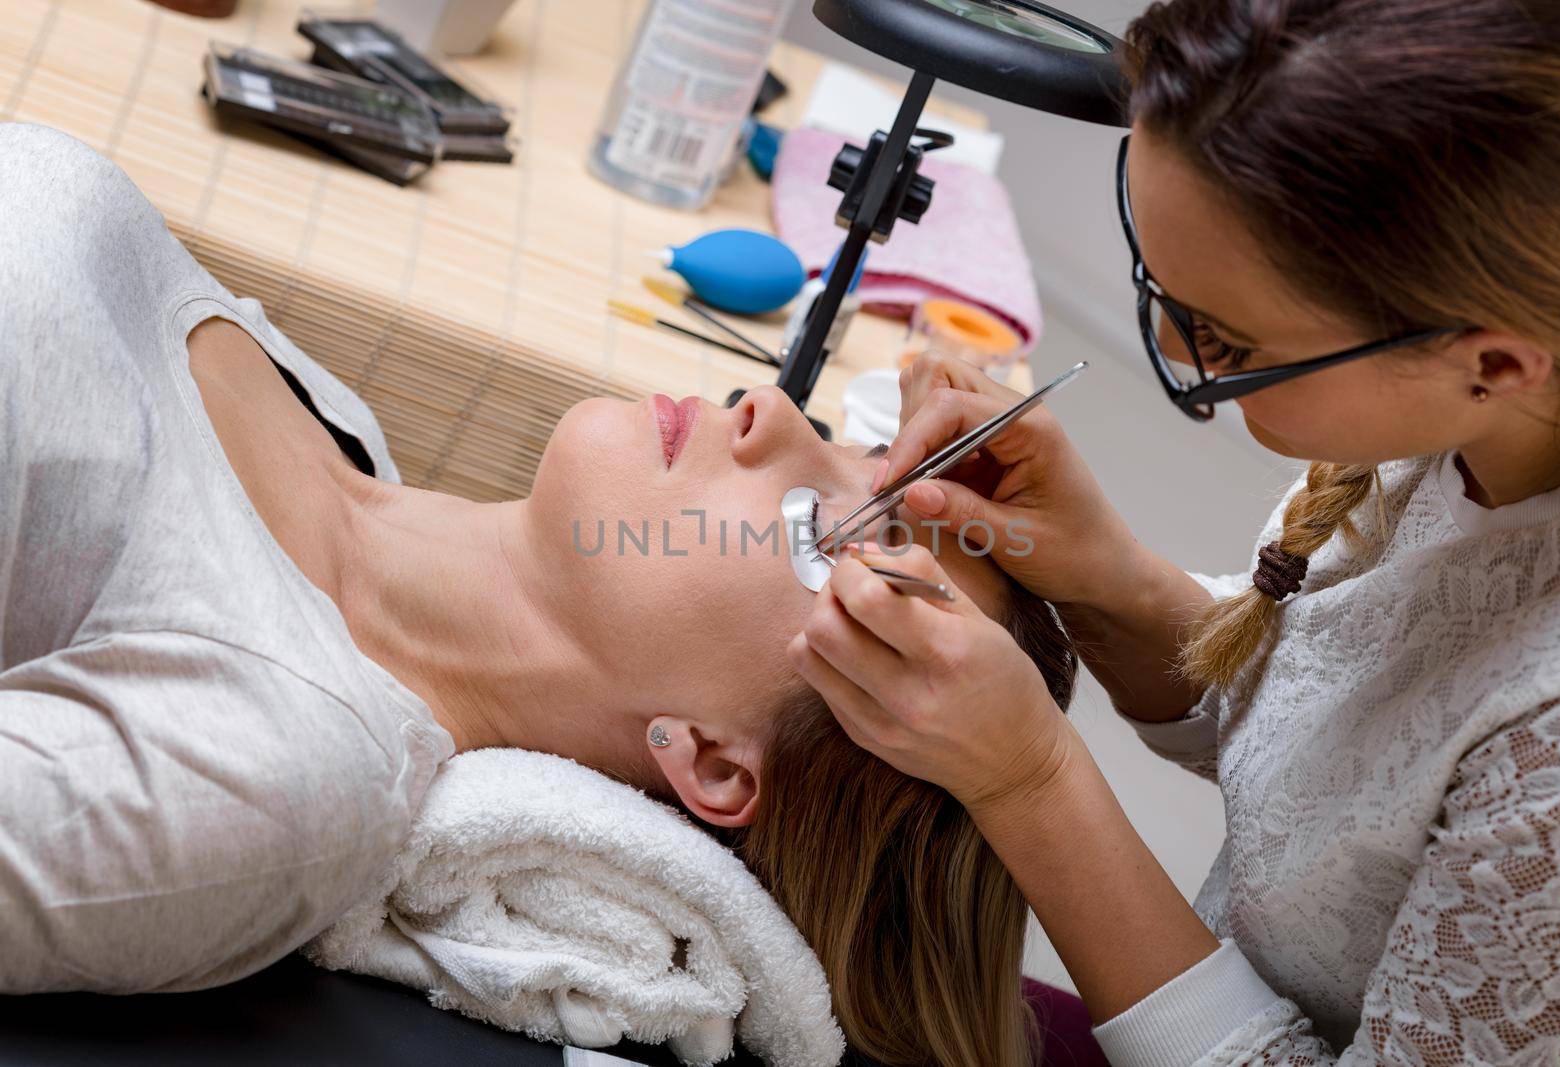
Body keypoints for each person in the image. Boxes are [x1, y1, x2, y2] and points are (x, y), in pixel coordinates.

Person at [0, 123, 1079, 1066]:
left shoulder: (282, 775)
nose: (772, 413)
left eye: (828, 534)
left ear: (707, 755)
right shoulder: (338, 427)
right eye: (860, 447)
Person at [791, 0, 1560, 1061]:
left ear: (1493, 363)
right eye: (1158, 283)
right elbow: (1338, 767)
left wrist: (1030, 782)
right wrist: (1106, 575)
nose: (1174, 342)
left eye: (1221, 335)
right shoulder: (1485, 427)